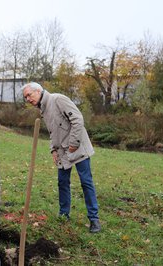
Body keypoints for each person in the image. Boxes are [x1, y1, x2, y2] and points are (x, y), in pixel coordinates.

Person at [21, 82, 101, 233]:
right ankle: (64, 214)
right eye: (25, 97)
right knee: (62, 182)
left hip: (78, 148)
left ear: (38, 91)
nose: (28, 100)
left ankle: (94, 219)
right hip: (62, 152)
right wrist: (53, 150)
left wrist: (74, 144)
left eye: (29, 95)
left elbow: (77, 119)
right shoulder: (43, 108)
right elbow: (53, 132)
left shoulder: (58, 99)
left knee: (86, 182)